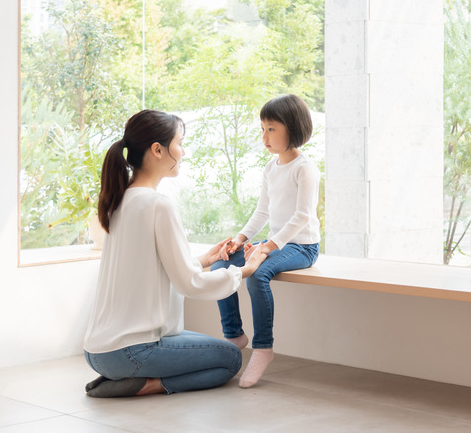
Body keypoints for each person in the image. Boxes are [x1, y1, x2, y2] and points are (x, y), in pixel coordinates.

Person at [83, 109, 267, 398]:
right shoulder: (158, 204)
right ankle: (147, 384)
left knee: (217, 348)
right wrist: (244, 270)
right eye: (180, 143)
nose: (183, 151)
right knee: (232, 358)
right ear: (158, 150)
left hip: (97, 351)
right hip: (132, 352)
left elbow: (152, 267)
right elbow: (189, 284)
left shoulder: (119, 200)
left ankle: (123, 378)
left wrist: (207, 259)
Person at [211, 94, 321, 388]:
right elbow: (262, 211)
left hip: (302, 246)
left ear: (293, 127)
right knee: (220, 267)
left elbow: (301, 216)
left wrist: (267, 247)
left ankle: (263, 349)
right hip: (275, 242)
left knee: (257, 274)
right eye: (263, 128)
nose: (264, 136)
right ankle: (234, 335)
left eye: (271, 128)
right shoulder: (271, 168)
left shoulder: (305, 168)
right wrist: (239, 240)